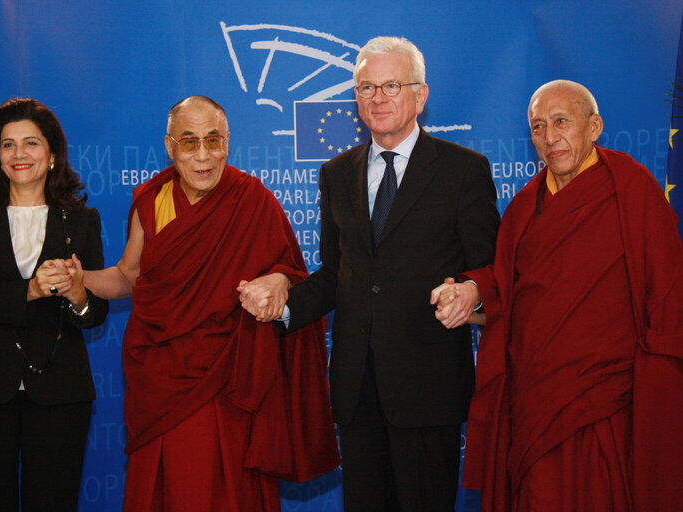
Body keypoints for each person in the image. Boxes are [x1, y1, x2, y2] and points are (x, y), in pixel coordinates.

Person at [238, 37, 500, 511]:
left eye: (391, 85)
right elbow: (338, 274)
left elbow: (492, 267)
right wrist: (282, 304)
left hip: (428, 385)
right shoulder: (336, 173)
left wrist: (472, 290)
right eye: (366, 87)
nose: (377, 98)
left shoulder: (464, 171)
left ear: (420, 95)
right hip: (357, 387)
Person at [431, 80, 683, 511]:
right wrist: (470, 293)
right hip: (535, 399)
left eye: (561, 122)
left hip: (606, 400)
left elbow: (668, 296)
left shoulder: (632, 190)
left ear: (595, 126)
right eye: (537, 127)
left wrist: (659, 388)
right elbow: (508, 291)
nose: (549, 138)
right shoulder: (525, 207)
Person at [82, 96, 339, 512]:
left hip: (227, 378)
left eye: (213, 140)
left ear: (228, 142)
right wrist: (80, 280)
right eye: (189, 142)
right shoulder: (152, 200)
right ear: (170, 147)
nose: (203, 156)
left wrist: (275, 280)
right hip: (161, 375)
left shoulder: (252, 199)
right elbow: (130, 275)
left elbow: (295, 277)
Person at [0, 98, 109, 511]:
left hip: (60, 393)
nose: (19, 154)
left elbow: (97, 313)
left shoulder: (82, 220)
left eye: (31, 143)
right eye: (8, 144)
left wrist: (78, 296)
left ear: (52, 154)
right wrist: (29, 292)